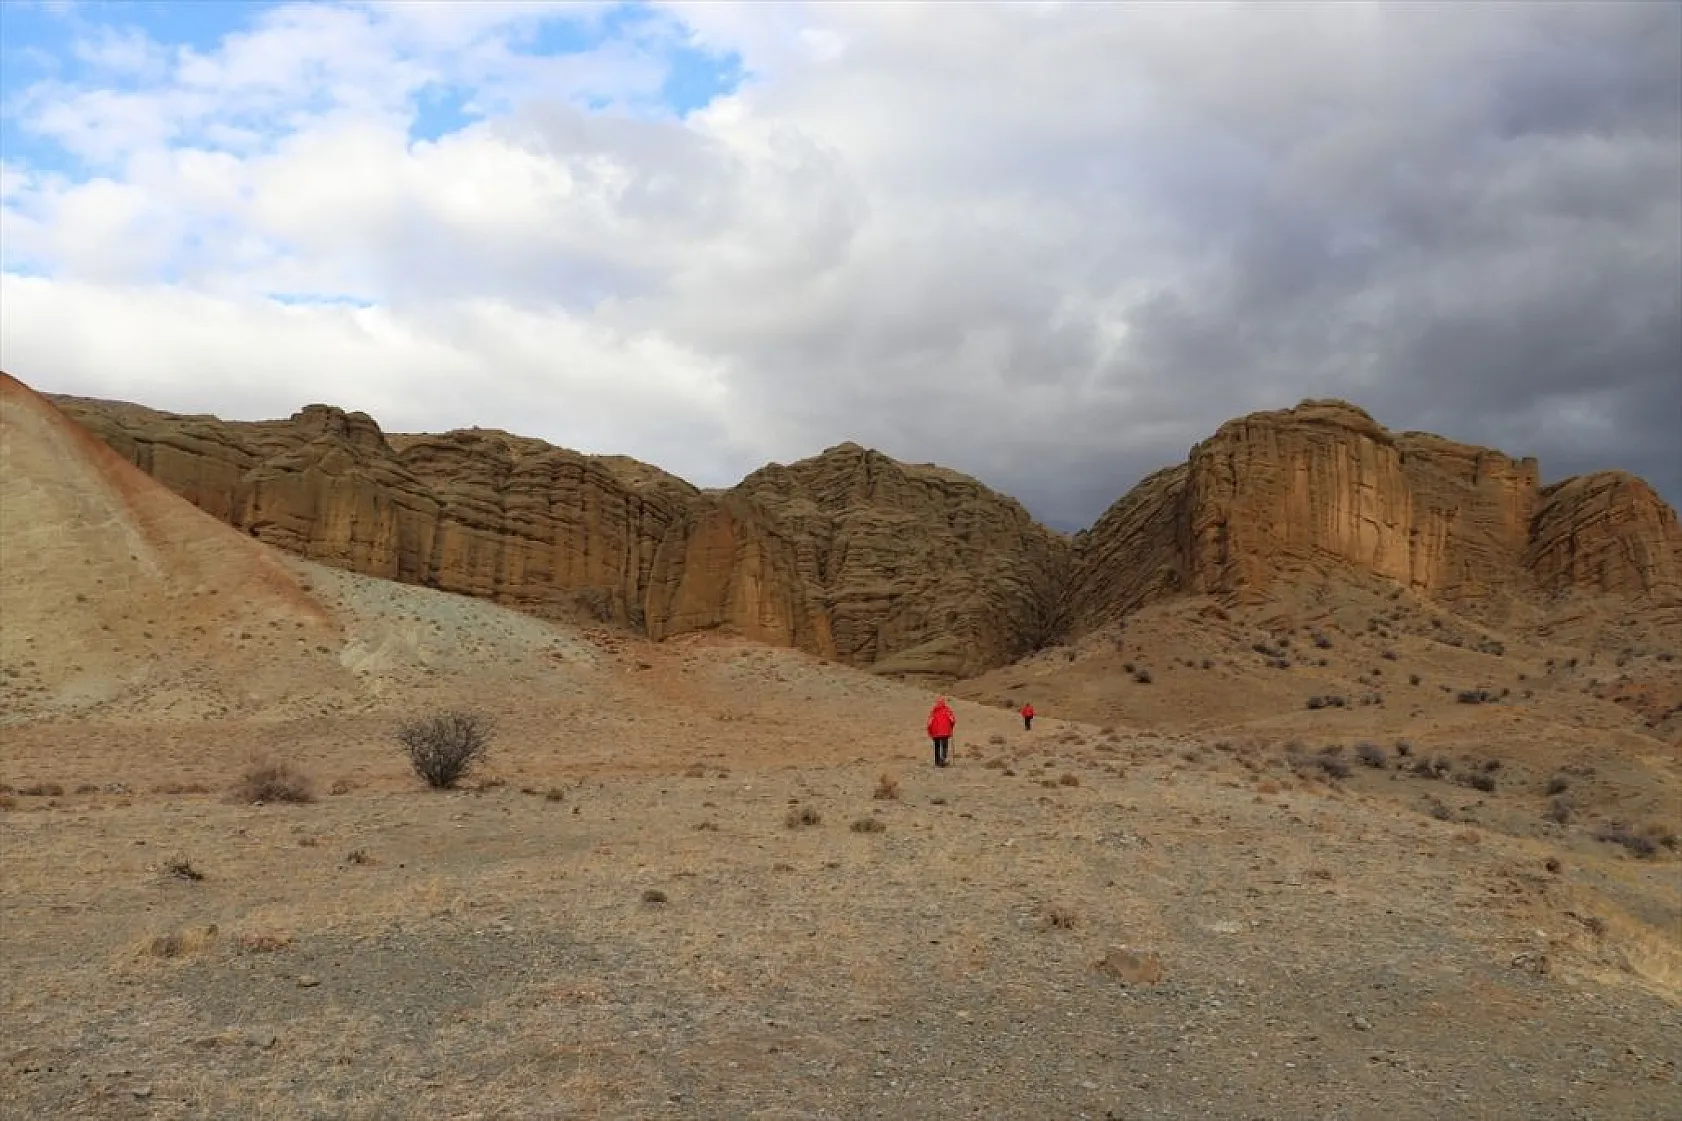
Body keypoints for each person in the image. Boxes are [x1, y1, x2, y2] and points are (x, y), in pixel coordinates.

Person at [927, 696, 956, 767]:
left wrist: (930, 732)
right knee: (944, 746)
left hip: (936, 732)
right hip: (945, 732)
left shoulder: (934, 711)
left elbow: (929, 723)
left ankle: (937, 762)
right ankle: (943, 760)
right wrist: (951, 727)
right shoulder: (947, 710)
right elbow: (952, 720)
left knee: (937, 746)